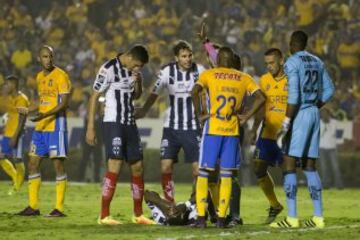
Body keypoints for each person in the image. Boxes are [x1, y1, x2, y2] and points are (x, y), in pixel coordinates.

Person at [191, 47, 265, 228]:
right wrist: (247, 116)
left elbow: (194, 92)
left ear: (218, 61)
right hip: (232, 132)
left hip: (213, 130)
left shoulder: (209, 74)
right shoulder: (244, 77)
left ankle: (201, 218)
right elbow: (261, 98)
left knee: (204, 174)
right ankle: (222, 219)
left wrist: (200, 114)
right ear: (232, 60)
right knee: (226, 176)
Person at [270, 31, 335, 229]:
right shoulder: (317, 61)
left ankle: (292, 218)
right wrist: (315, 105)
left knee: (289, 163)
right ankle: (318, 217)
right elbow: (330, 89)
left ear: (291, 44)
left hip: (300, 115)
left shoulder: (291, 62)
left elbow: (294, 95)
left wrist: (287, 122)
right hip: (314, 113)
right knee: (309, 165)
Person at [86, 45, 155, 225]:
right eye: (138, 65)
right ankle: (103, 215)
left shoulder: (133, 72)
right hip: (113, 122)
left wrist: (139, 81)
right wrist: (90, 127)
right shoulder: (108, 69)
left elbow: (136, 96)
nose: (138, 68)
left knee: (138, 166)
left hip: (130, 123)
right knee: (115, 164)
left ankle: (138, 214)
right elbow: (94, 96)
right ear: (130, 57)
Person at [135, 40, 205, 203]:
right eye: (184, 56)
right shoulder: (167, 72)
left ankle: (195, 202)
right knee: (165, 167)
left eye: (189, 55)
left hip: (192, 127)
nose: (188, 59)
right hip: (171, 128)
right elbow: (154, 93)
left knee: (197, 170)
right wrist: (144, 110)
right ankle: (170, 203)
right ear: (176, 58)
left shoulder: (199, 71)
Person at [17, 45, 71, 217]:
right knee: (32, 163)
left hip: (56, 126)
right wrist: (28, 109)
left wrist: (44, 115)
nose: (48, 60)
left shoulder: (61, 76)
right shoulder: (39, 77)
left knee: (58, 165)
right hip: (41, 127)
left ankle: (59, 209)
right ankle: (33, 206)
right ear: (39, 59)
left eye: (50, 56)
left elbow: (63, 104)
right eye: (45, 57)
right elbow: (41, 102)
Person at [198, 23, 243, 226]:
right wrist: (206, 42)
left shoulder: (221, 73)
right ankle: (219, 213)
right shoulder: (231, 73)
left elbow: (215, 58)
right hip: (228, 126)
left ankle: (232, 214)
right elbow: (214, 55)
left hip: (224, 126)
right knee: (221, 173)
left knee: (227, 174)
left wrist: (207, 44)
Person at [249, 48, 286, 224]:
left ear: (281, 61)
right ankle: (275, 205)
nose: (269, 66)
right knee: (258, 168)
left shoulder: (291, 80)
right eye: (267, 63)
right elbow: (261, 108)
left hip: (286, 135)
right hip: (267, 134)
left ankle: (293, 212)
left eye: (272, 62)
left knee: (289, 171)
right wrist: (254, 129)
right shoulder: (264, 80)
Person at [0, 75, 29, 194]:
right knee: (1, 156)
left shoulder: (22, 98)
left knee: (17, 159)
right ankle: (16, 178)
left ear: (14, 84)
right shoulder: (9, 98)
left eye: (7, 84)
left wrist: (15, 136)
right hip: (8, 132)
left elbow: (22, 118)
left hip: (17, 133)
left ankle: (17, 187)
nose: (6, 86)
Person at [318, 107, 343, 189]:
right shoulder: (319, 123)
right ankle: (326, 185)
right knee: (324, 168)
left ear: (329, 114)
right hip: (322, 148)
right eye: (322, 114)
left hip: (332, 148)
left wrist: (339, 144)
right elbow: (318, 136)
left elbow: (339, 134)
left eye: (325, 113)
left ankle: (339, 185)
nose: (323, 115)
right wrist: (324, 126)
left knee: (335, 167)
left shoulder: (335, 122)